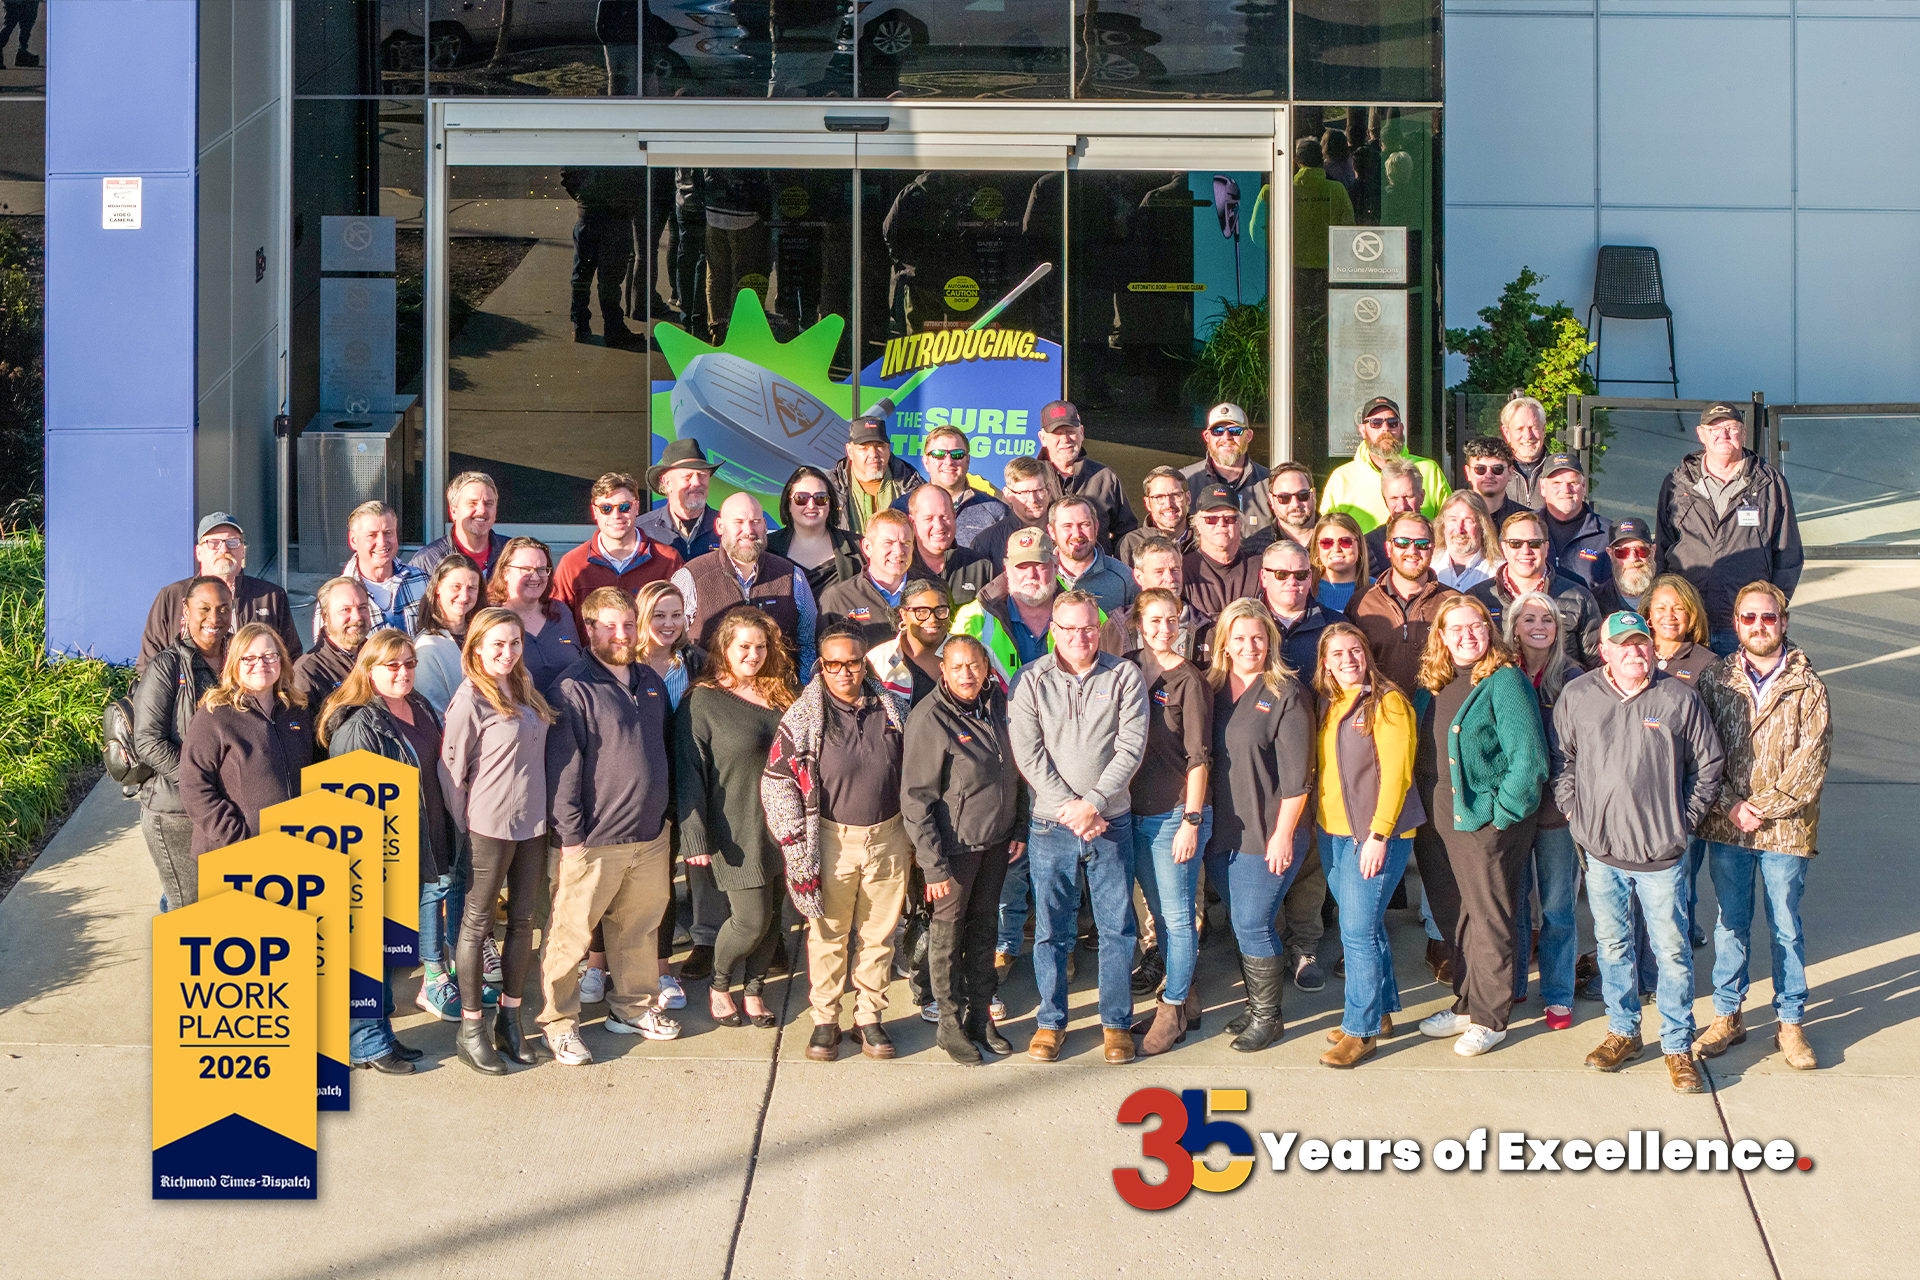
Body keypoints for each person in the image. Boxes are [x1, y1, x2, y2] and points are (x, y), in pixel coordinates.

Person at [1552, 611, 1725, 1093]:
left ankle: (1676, 1045)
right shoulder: (1579, 695)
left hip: (1661, 857)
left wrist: (1681, 823)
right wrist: (1573, 809)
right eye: (1623, 645)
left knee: (1670, 951)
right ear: (1603, 650)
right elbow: (1561, 758)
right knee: (1612, 946)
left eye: (1643, 643)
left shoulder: (1678, 697)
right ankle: (1623, 1032)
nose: (1635, 652)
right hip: (1602, 852)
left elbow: (1708, 767)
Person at [538, 588, 683, 1068]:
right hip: (594, 842)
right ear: (590, 629)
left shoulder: (649, 680)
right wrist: (572, 839)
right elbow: (563, 771)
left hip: (649, 836)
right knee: (571, 937)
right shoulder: (572, 688)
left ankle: (632, 1008)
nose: (620, 635)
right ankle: (559, 1024)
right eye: (609, 625)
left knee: (639, 930)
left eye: (626, 625)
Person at [1694, 582, 1832, 1071]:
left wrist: (1762, 808)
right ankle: (1727, 1016)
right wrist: (1732, 806)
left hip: (1786, 832)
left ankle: (1791, 1022)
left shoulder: (1808, 687)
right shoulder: (1715, 681)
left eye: (1768, 618)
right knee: (1730, 924)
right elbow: (1702, 753)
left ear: (1784, 622)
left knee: (1785, 926)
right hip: (1729, 828)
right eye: (1749, 618)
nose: (1759, 626)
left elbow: (1810, 763)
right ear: (1737, 624)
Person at [1009, 590, 1148, 1064]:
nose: (1079, 637)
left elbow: (1130, 747)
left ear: (1100, 626)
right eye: (1068, 628)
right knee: (1051, 929)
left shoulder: (1124, 675)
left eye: (1088, 627)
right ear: (1054, 630)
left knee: (1117, 927)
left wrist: (1093, 804)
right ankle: (1050, 1022)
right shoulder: (1030, 680)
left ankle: (1115, 1023)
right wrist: (1070, 806)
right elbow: (1028, 754)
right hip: (1051, 825)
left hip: (1110, 820)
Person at [764, 620, 913, 1063]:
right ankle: (825, 1019)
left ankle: (869, 1016)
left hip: (889, 836)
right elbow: (777, 782)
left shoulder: (892, 707)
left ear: (864, 662)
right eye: (834, 664)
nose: (844, 672)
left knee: (878, 935)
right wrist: (795, 845)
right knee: (827, 934)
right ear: (820, 666)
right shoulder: (804, 717)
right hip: (829, 839)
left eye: (852, 662)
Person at [1412, 594, 1548, 1057]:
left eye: (1477, 626)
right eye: (1457, 629)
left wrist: (1501, 814)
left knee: (1490, 918)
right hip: (1437, 819)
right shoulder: (1436, 680)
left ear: (1489, 632)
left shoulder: (1504, 680)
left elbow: (1528, 760)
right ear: (1442, 637)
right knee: (1455, 915)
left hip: (1484, 822)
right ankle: (1467, 1004)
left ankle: (1492, 1018)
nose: (1469, 635)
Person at [321, 630, 460, 1074]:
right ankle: (365, 1045)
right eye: (392, 665)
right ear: (369, 669)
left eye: (409, 664)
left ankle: (382, 1037)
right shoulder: (361, 725)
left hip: (424, 845)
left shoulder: (418, 706)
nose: (403, 672)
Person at [440, 608, 557, 1075]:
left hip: (532, 824)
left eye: (514, 643)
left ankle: (510, 1019)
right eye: (497, 645)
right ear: (476, 649)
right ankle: (471, 1030)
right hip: (488, 827)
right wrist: (466, 826)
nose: (507, 653)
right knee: (476, 924)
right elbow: (451, 773)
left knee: (524, 923)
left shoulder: (524, 686)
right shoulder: (470, 699)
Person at [900, 633, 1026, 1064]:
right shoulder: (930, 718)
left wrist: (1020, 827)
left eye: (974, 665)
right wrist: (933, 867)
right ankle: (950, 1025)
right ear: (944, 671)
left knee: (984, 931)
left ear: (987, 667)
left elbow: (1016, 772)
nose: (967, 674)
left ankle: (980, 1017)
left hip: (996, 843)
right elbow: (915, 801)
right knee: (948, 939)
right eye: (957, 667)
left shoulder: (997, 706)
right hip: (953, 852)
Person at [1203, 600, 1316, 1053]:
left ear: (1270, 641)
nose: (1249, 646)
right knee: (1242, 922)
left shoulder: (1285, 692)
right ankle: (1255, 1006)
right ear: (1224, 643)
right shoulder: (1210, 689)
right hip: (1222, 832)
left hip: (1268, 832)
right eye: (1240, 637)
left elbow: (1297, 778)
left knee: (1253, 923)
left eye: (1258, 637)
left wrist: (1284, 835)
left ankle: (1269, 1018)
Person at [677, 608, 796, 1032]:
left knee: (772, 919)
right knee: (749, 919)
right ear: (724, 648)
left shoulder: (782, 693)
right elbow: (690, 771)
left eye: (761, 646)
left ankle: (755, 991)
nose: (754, 654)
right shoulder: (703, 700)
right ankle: (720, 985)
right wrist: (694, 837)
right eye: (744, 646)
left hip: (783, 825)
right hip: (734, 826)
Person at [1313, 623, 1420, 1067]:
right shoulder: (1332, 702)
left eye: (1354, 651)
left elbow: (1397, 774)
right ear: (1325, 663)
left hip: (1374, 835)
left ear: (1367, 654)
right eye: (1337, 654)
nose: (1347, 660)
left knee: (1356, 933)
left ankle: (1361, 1031)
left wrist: (1379, 834)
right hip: (1333, 832)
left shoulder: (1387, 702)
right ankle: (1381, 1011)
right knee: (1365, 924)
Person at [1124, 589, 1212, 1056]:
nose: (1163, 629)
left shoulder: (1188, 681)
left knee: (1178, 917)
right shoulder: (1122, 668)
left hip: (1175, 812)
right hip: (1131, 812)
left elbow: (1199, 758)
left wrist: (1192, 820)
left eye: (1171, 620)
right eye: (1154, 620)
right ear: (1138, 622)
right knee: (1160, 915)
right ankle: (1187, 997)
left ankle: (1172, 1006)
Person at [1655, 402, 1803, 655]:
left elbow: (1787, 553)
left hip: (1742, 625)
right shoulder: (1677, 483)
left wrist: (1771, 610)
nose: (1722, 435)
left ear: (1743, 433)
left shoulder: (1769, 483)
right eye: (1713, 429)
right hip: (1688, 623)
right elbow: (1662, 548)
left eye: (1730, 428)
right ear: (1701, 434)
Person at [1504, 591, 1583, 1028]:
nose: (1539, 625)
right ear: (1514, 626)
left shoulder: (1574, 678)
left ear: (1558, 629)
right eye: (1529, 618)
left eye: (1547, 619)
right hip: (1515, 810)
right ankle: (1513, 984)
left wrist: (1575, 801)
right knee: (1513, 904)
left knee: (1556, 906)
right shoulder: (1500, 674)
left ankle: (1557, 993)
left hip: (1556, 811)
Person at [131, 576, 231, 910]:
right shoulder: (167, 665)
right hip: (175, 811)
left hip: (224, 807)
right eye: (204, 608)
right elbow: (147, 741)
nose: (214, 618)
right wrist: (199, 781)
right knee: (188, 908)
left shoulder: (241, 660)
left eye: (223, 609)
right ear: (185, 612)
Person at [178, 624, 316, 858]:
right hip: (236, 855)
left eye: (269, 656)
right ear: (235, 664)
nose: (260, 664)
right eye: (249, 658)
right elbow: (193, 787)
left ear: (281, 660)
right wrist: (237, 837)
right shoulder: (215, 716)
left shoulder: (297, 711)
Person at [634, 579, 704, 1007]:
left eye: (676, 615)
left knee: (663, 884)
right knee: (627, 883)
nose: (668, 623)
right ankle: (602, 964)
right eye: (659, 615)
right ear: (642, 617)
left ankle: (661, 970)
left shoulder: (693, 663)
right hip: (636, 789)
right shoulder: (626, 664)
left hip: (680, 787)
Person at [952, 526, 1123, 691]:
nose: (1030, 575)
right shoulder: (974, 616)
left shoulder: (1088, 613)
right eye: (1021, 567)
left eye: (1039, 565)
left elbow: (1112, 675)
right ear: (1007, 570)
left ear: (1056, 567)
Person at [671, 492, 818, 680]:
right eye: (738, 522)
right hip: (711, 700)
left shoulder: (792, 576)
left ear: (765, 525)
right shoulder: (691, 576)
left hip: (778, 700)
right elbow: (672, 646)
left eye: (755, 521)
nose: (748, 530)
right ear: (720, 526)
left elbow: (808, 646)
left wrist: (803, 696)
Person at [138, 512, 301, 676]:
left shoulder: (270, 596)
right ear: (199, 552)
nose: (224, 549)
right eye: (213, 543)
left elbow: (291, 658)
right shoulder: (171, 596)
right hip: (190, 695)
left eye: (233, 542)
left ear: (243, 552)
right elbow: (149, 663)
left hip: (250, 696)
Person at [552, 471, 683, 635]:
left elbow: (682, 617)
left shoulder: (668, 560)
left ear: (636, 507)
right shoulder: (573, 564)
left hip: (648, 660)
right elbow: (557, 623)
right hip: (591, 659)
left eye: (624, 507)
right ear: (594, 512)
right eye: (606, 508)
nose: (616, 515)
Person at [1470, 511, 1603, 669]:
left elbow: (1597, 667)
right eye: (1515, 543)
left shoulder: (1580, 598)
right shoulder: (1477, 598)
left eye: (1534, 543)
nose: (1526, 551)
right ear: (1503, 548)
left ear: (1546, 548)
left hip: (1560, 692)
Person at [1346, 512, 1448, 695]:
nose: (1412, 551)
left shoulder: (1453, 604)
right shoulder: (1362, 603)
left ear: (1432, 550)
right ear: (1388, 548)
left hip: (1437, 715)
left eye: (1422, 544)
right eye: (1402, 543)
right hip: (1380, 715)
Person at [1320, 396, 1449, 532]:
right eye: (1376, 423)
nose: (1385, 429)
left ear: (1401, 428)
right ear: (1363, 430)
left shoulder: (1429, 470)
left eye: (1392, 422)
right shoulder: (1341, 478)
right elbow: (1325, 533)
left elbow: (1449, 523)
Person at [1034, 400, 1138, 550]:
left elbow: (1126, 535)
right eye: (1057, 433)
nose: (1065, 440)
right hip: (1044, 572)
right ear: (1042, 438)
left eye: (1070, 431)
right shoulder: (1028, 479)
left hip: (1097, 571)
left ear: (1081, 433)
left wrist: (1114, 568)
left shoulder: (1105, 478)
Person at [485, 536, 580, 698]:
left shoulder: (561, 612)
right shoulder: (490, 619)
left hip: (570, 718)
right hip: (519, 718)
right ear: (504, 573)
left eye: (542, 569)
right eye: (526, 569)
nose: (535, 577)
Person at [318, 501, 426, 636]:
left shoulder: (422, 581)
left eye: (388, 533)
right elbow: (326, 653)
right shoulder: (333, 597)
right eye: (372, 535)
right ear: (353, 540)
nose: (382, 542)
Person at [894, 425, 1008, 548]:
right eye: (938, 454)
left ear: (967, 461)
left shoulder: (996, 511)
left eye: (957, 454)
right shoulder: (901, 508)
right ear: (926, 462)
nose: (948, 462)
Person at [1182, 485, 1262, 660]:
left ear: (1240, 523)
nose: (1221, 524)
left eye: (1230, 519)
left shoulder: (1261, 567)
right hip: (1200, 669)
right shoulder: (1181, 570)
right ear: (1198, 525)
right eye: (1211, 519)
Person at [819, 507, 915, 648]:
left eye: (905, 543)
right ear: (867, 547)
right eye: (888, 543)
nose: (898, 551)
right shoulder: (838, 599)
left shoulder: (931, 591)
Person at [1179, 402, 1272, 545]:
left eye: (1235, 431)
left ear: (1249, 436)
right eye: (1218, 431)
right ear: (1206, 436)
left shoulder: (1270, 483)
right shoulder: (1185, 481)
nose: (1226, 437)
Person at [769, 465, 862, 598]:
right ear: (789, 504)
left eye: (820, 498)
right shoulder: (767, 549)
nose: (811, 505)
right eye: (801, 498)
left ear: (830, 503)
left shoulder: (858, 548)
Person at [830, 410, 923, 536]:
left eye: (880, 446)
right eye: (864, 448)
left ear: (888, 449)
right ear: (849, 451)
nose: (873, 454)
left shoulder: (915, 488)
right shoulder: (828, 489)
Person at [413, 555, 484, 714]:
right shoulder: (427, 648)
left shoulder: (484, 635)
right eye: (456, 587)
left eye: (471, 588)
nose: (465, 596)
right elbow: (435, 713)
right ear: (438, 587)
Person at [904, 485, 994, 608]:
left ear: (954, 515)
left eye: (944, 517)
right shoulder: (901, 568)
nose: (939, 526)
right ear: (912, 522)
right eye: (928, 518)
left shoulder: (981, 567)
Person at [410, 471, 510, 580]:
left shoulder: (512, 553)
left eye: (488, 504)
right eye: (472, 503)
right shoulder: (428, 561)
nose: (482, 510)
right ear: (453, 511)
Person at [1537, 453, 1613, 595]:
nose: (1566, 490)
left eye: (1573, 483)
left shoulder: (1608, 534)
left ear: (1583, 486)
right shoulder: (1525, 528)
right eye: (1556, 483)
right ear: (1542, 487)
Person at [637, 439, 722, 561]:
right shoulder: (642, 532)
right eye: (687, 477)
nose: (696, 483)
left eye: (702, 475)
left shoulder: (729, 528)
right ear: (667, 482)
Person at [293, 577, 371, 710]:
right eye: (345, 610)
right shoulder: (308, 672)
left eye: (362, 607)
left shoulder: (380, 656)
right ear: (325, 617)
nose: (357, 616)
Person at [1050, 495, 1136, 615]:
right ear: (1052, 531)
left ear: (1096, 527)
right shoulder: (1039, 575)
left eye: (1084, 524)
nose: (1077, 534)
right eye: (1067, 526)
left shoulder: (1124, 579)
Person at [867, 579, 948, 705]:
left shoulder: (973, 653)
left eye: (941, 610)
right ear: (903, 615)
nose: (932, 619)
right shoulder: (876, 659)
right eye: (921, 611)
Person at [1117, 535, 1197, 661]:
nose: (1170, 578)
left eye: (1175, 569)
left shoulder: (1205, 628)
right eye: (1159, 572)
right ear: (1139, 577)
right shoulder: (1117, 627)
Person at [1262, 539, 1334, 679]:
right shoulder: (1244, 623)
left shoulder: (1334, 625)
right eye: (1281, 574)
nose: (1292, 581)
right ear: (1264, 577)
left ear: (1310, 577)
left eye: (1300, 574)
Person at [970, 455, 1054, 570]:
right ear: (1008, 494)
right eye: (1024, 492)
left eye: (1039, 490)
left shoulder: (1067, 534)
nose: (1033, 499)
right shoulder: (987, 543)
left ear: (1049, 490)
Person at [1644, 572, 1717, 683]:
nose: (1669, 616)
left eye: (1678, 608)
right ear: (1649, 613)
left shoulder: (1708, 664)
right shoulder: (1636, 653)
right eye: (1661, 608)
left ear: (1691, 614)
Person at [1117, 466, 1194, 566]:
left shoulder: (1207, 537)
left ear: (1187, 498)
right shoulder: (1130, 544)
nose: (1168, 505)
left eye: (1175, 495)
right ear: (1148, 503)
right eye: (1159, 497)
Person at [1363, 458, 1429, 572]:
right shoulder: (1369, 545)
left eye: (1408, 497)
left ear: (1422, 497)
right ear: (1385, 500)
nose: (1402, 506)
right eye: (1394, 498)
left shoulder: (1439, 540)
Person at [1433, 491, 1500, 591]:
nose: (1459, 529)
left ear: (1483, 526)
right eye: (1453, 520)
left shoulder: (1499, 570)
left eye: (1468, 521)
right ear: (1443, 525)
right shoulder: (1428, 563)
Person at [1461, 436, 1529, 531]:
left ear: (1510, 472)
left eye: (1497, 469)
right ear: (1468, 472)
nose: (1488, 475)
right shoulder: (1453, 520)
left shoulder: (1528, 521)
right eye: (1480, 469)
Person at [1594, 517, 1658, 618]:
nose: (1633, 559)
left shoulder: (1670, 599)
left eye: (1641, 550)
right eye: (1622, 552)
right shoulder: (1594, 603)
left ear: (1653, 551)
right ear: (1610, 554)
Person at [1498, 396, 1551, 510]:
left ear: (1543, 429)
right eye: (1520, 428)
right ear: (1507, 432)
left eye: (1533, 427)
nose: (1528, 436)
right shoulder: (1495, 473)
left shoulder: (1558, 471)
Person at [1311, 513, 1370, 614]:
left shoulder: (1379, 590)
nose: (1336, 549)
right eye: (1326, 542)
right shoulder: (1306, 589)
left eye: (1345, 541)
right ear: (1317, 548)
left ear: (1359, 545)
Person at [1257, 461, 1319, 554]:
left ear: (1313, 495)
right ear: (1271, 501)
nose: (1295, 504)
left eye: (1302, 495)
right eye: (1284, 497)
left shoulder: (1339, 542)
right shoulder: (1255, 549)